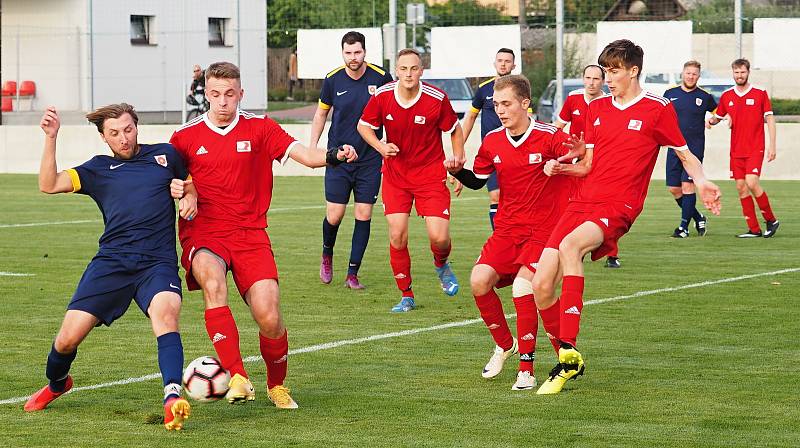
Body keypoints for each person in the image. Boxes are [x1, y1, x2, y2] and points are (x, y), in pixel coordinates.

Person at [532, 39, 721, 395]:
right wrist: (561, 168)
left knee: (572, 247)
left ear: (633, 70)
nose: (607, 77)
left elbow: (685, 154)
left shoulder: (657, 108)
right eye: (605, 70)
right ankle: (567, 359)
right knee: (541, 285)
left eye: (614, 71)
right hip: (581, 202)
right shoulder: (596, 108)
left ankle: (568, 347)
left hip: (619, 206)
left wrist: (703, 180)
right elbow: (587, 164)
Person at [169, 62, 357, 409]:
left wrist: (333, 155)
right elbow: (173, 180)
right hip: (205, 232)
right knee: (213, 283)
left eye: (229, 94)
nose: (222, 102)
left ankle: (276, 385)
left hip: (251, 233)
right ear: (205, 94)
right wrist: (187, 190)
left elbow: (303, 155)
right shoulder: (184, 138)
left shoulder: (260, 128)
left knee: (269, 315)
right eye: (215, 95)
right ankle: (237, 375)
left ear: (241, 94)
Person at [25, 104, 197, 431]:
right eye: (114, 133)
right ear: (104, 137)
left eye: (128, 129)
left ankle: (173, 397)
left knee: (167, 312)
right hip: (112, 264)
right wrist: (51, 138)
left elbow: (190, 182)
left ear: (137, 126)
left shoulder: (166, 156)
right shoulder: (98, 169)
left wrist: (189, 193)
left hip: (156, 263)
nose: (123, 138)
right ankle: (57, 384)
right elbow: (49, 184)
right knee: (65, 341)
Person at [446, 74, 575, 391]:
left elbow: (578, 155)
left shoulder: (548, 136)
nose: (500, 110)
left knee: (522, 287)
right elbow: (477, 180)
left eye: (506, 104)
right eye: (496, 104)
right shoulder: (492, 140)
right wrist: (456, 170)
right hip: (507, 229)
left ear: (525, 104)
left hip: (544, 231)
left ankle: (527, 369)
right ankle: (505, 344)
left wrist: (561, 162)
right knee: (478, 281)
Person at [358, 48, 466, 313]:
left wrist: (458, 164)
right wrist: (381, 147)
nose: (408, 74)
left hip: (430, 175)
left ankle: (441, 264)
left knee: (439, 238)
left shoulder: (435, 98)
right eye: (403, 69)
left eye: (414, 68)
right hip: (396, 177)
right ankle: (406, 295)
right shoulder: (383, 96)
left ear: (421, 71)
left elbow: (455, 130)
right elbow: (363, 126)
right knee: (397, 236)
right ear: (396, 70)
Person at [310, 31, 393, 289]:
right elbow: (320, 115)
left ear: (365, 52)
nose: (353, 58)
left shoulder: (381, 78)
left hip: (369, 160)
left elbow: (392, 113)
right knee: (334, 216)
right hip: (339, 158)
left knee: (363, 213)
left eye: (357, 52)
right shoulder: (332, 80)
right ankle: (327, 253)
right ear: (342, 53)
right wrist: (314, 149)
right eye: (348, 53)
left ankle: (352, 273)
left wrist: (386, 146)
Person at [554, 64, 623, 269]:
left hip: (602, 162)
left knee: (605, 205)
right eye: (588, 78)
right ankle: (572, 246)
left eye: (596, 79)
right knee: (573, 203)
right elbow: (558, 128)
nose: (591, 83)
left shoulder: (609, 102)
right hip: (578, 162)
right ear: (582, 79)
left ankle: (612, 253)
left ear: (602, 81)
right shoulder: (573, 98)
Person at [708, 58, 779, 238]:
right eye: (736, 72)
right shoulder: (727, 96)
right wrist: (711, 120)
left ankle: (771, 220)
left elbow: (770, 118)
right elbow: (719, 116)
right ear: (733, 73)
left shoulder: (760, 93)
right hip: (736, 150)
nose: (740, 75)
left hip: (755, 147)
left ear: (748, 72)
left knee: (752, 182)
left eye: (743, 72)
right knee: (741, 187)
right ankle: (754, 229)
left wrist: (773, 145)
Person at [460, 48, 516, 230]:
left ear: (513, 65)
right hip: (492, 154)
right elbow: (470, 118)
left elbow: (529, 119)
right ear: (495, 64)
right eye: (500, 60)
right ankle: (499, 240)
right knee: (496, 195)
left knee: (516, 199)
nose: (503, 64)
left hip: (516, 153)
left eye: (507, 61)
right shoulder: (484, 89)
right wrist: (459, 147)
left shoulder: (520, 88)